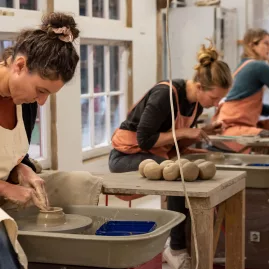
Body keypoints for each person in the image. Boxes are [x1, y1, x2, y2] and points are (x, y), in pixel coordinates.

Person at [108, 41, 232, 269]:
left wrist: (203, 133)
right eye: (214, 99)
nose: (215, 105)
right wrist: (185, 131)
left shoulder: (197, 106)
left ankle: (197, 240)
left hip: (156, 155)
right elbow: (145, 140)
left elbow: (176, 144)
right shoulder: (165, 93)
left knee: (206, 156)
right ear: (199, 86)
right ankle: (175, 248)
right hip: (125, 156)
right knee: (178, 174)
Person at [0, 12, 102, 269]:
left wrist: (22, 169)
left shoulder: (24, 101)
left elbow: (11, 154)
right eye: (41, 91)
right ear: (19, 66)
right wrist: (4, 189)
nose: (42, 101)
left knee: (81, 185)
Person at [211, 28, 269, 153]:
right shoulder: (258, 66)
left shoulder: (244, 65)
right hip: (233, 129)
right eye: (266, 43)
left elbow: (249, 104)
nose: (268, 47)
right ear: (252, 45)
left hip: (225, 127)